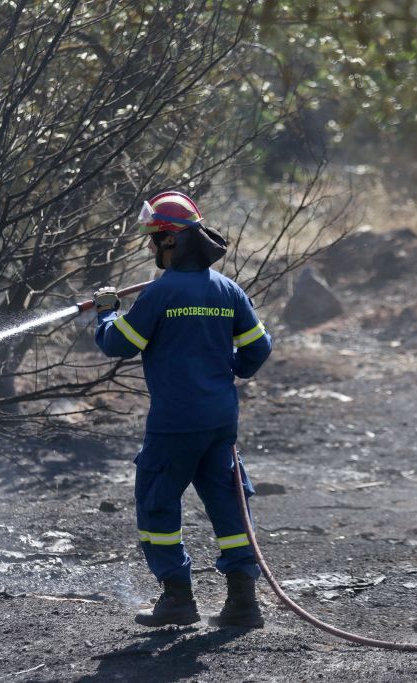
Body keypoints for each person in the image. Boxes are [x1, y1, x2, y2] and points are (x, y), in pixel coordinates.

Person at [92, 191, 273, 628]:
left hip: (174, 424)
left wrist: (106, 313)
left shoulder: (160, 294)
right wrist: (230, 370)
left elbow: (118, 344)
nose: (150, 245)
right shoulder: (228, 290)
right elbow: (259, 347)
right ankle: (243, 603)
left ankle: (177, 598)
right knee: (229, 506)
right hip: (219, 423)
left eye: (154, 237)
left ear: (170, 240)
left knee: (157, 506)